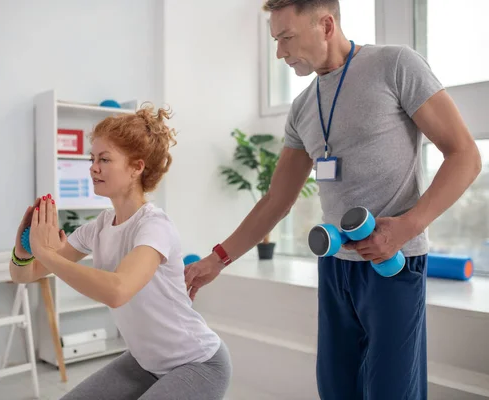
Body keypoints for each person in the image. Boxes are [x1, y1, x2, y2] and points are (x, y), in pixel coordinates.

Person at [184, 0, 481, 399]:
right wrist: (217, 258)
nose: (280, 53)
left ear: (325, 25)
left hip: (393, 264)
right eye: (275, 40)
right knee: (337, 389)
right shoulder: (303, 106)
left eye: (286, 38)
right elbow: (276, 200)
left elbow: (465, 155)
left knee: (391, 393)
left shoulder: (395, 66)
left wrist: (406, 227)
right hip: (335, 268)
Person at [9, 104, 231, 400]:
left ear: (136, 167)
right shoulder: (99, 227)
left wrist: (46, 254)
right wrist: (23, 250)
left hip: (197, 363)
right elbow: (26, 274)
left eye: (104, 159)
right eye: (92, 159)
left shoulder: (154, 226)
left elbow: (118, 290)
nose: (93, 167)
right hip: (146, 363)